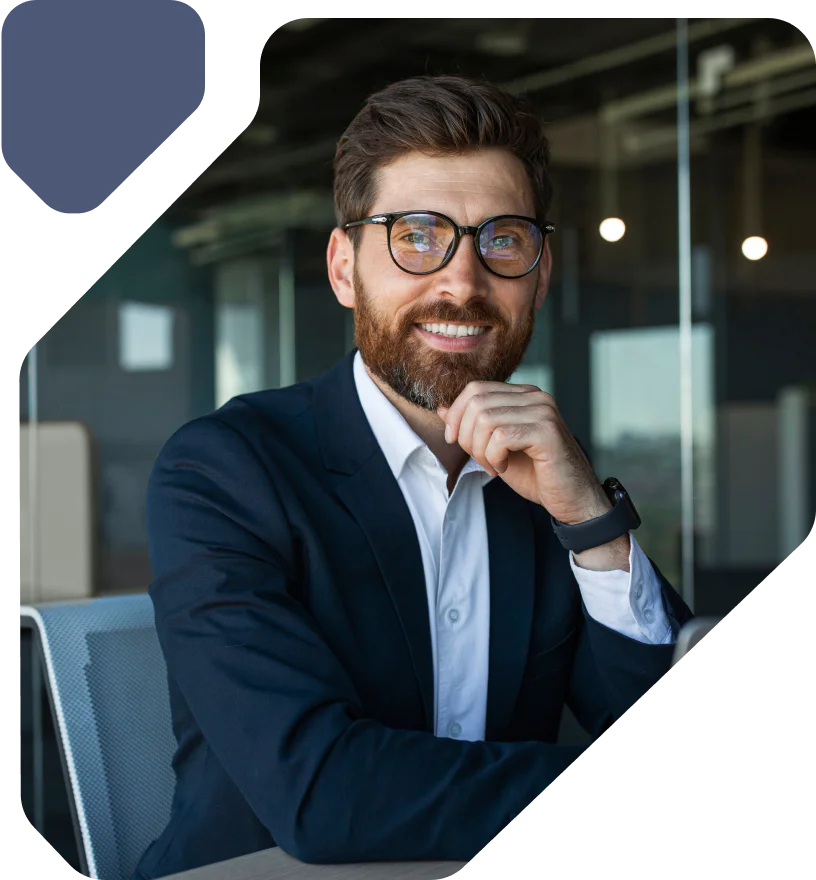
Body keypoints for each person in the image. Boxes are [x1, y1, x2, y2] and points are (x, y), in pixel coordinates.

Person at [133, 75, 693, 879]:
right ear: (342, 267)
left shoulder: (544, 479)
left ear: (538, 274)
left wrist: (592, 525)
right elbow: (323, 794)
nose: (463, 282)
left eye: (501, 240)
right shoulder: (226, 471)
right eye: (417, 234)